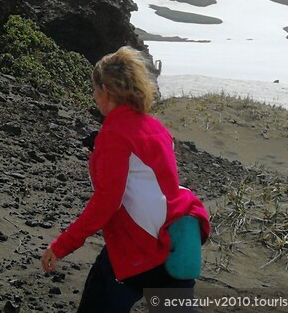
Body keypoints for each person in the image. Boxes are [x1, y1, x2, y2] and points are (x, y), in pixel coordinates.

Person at [41, 46, 210, 313]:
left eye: (94, 89)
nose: (93, 96)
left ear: (105, 90)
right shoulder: (155, 127)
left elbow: (107, 202)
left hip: (137, 250)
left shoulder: (114, 135)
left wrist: (62, 245)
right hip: (176, 240)